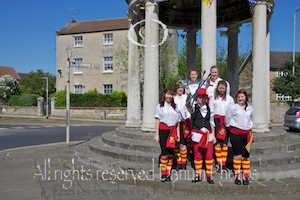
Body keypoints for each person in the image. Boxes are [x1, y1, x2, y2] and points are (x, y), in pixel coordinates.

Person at [225, 89, 254, 185]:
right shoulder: (233, 108)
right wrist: (233, 129)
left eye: (242, 97)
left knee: (245, 156)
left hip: (247, 134)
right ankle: (237, 175)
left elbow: (251, 118)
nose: (240, 99)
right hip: (235, 133)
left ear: (246, 98)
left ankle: (245, 176)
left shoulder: (250, 108)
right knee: (237, 155)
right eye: (239, 97)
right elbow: (227, 120)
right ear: (236, 98)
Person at [154, 88, 181, 182]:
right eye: (168, 94)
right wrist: (156, 134)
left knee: (170, 153)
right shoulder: (160, 106)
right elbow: (157, 120)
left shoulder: (175, 107)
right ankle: (164, 172)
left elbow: (178, 122)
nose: (169, 96)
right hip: (163, 131)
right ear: (164, 95)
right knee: (164, 153)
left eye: (171, 95)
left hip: (172, 132)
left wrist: (178, 135)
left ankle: (168, 173)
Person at [190, 88, 216, 184]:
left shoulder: (210, 108)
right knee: (198, 155)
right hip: (197, 135)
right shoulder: (193, 107)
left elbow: (212, 122)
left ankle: (209, 175)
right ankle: (198, 175)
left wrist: (213, 135)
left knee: (209, 155)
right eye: (200, 97)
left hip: (208, 135)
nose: (201, 99)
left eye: (203, 97)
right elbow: (187, 105)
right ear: (197, 98)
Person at [210, 80, 234, 173]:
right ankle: (218, 163)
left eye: (223, 88)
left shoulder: (230, 99)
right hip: (216, 121)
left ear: (225, 88)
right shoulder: (213, 98)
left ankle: (223, 163)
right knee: (217, 143)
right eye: (220, 87)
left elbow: (232, 111)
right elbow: (211, 111)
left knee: (224, 143)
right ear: (217, 88)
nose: (221, 89)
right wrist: (212, 123)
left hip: (226, 121)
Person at [173, 81, 191, 170]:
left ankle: (183, 162)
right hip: (175, 123)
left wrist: (189, 95)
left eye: (181, 88)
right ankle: (178, 161)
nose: (180, 89)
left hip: (184, 122)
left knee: (183, 144)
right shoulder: (173, 98)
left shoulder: (186, 97)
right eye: (178, 87)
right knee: (176, 144)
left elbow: (190, 107)